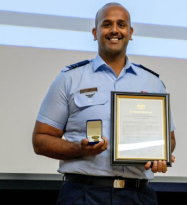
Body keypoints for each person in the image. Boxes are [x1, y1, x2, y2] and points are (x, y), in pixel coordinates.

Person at [32, 3, 176, 205]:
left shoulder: (153, 82)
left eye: (121, 24)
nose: (115, 30)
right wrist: (80, 149)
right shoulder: (70, 79)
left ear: (130, 32)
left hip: (138, 196)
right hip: (83, 195)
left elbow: (169, 140)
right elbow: (40, 140)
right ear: (95, 32)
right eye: (107, 24)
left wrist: (159, 155)